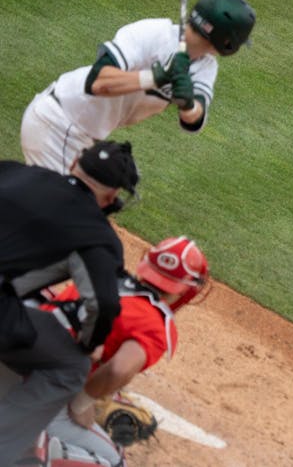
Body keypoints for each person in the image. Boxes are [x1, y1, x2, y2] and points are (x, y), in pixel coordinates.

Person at [0, 141, 139, 464]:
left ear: (75, 160)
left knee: (26, 306)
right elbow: (103, 304)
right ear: (112, 196)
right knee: (71, 364)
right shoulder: (95, 233)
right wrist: (91, 342)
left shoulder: (13, 171)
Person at [21, 0, 256, 174]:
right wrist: (154, 78)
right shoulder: (153, 34)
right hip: (60, 125)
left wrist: (188, 104)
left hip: (82, 136)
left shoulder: (205, 65)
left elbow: (194, 120)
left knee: (79, 215)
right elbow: (98, 82)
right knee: (67, 222)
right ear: (228, 42)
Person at [40, 236, 209, 466]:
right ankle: (36, 452)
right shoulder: (153, 325)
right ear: (187, 291)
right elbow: (118, 369)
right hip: (36, 396)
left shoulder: (104, 280)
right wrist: (82, 403)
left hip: (13, 359)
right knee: (112, 460)